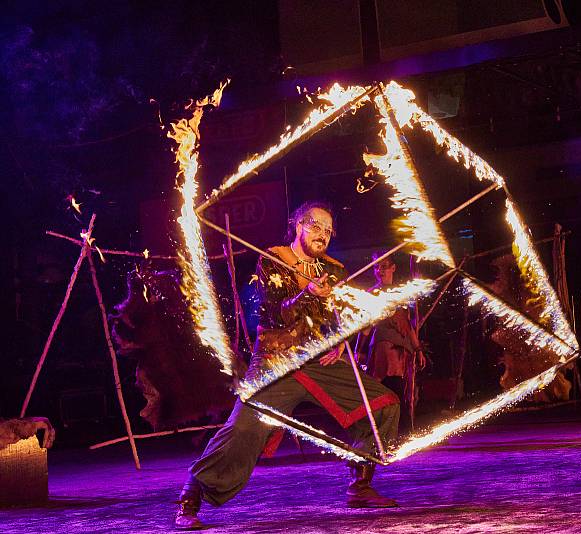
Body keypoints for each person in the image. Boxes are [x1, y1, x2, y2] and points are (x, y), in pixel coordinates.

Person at [175, 201, 400, 530]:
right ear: (298, 225)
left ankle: (360, 486)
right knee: (243, 429)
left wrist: (340, 340)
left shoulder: (332, 270)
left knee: (382, 405)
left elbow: (340, 316)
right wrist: (308, 292)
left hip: (319, 362)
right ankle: (190, 497)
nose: (322, 234)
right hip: (276, 361)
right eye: (315, 225)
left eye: (328, 229)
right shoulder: (273, 260)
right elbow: (272, 312)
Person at [358, 253, 424, 434]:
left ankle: (403, 431)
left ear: (393, 267)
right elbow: (365, 326)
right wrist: (358, 350)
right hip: (384, 345)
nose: (380, 270)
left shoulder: (401, 293)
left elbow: (408, 324)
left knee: (404, 390)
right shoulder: (372, 294)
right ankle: (392, 431)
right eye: (376, 267)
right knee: (387, 386)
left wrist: (418, 349)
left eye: (384, 265)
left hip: (404, 347)